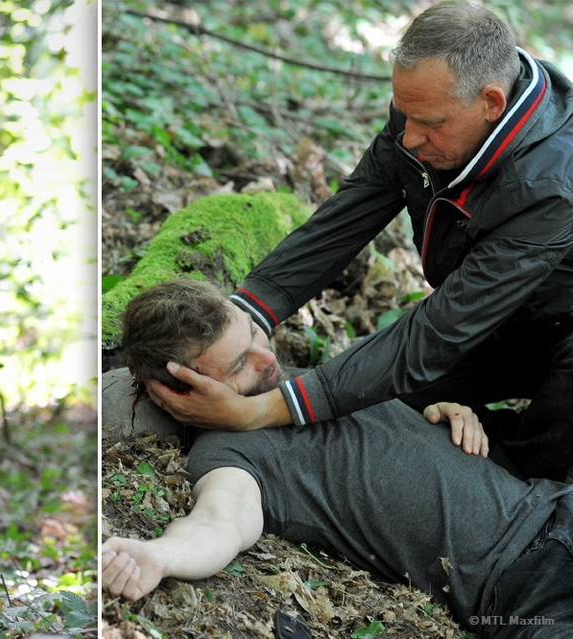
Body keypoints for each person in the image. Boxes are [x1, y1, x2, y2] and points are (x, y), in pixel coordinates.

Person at [146, 1, 573, 482]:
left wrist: (259, 412)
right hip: (504, 320)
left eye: (428, 124)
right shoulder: (433, 106)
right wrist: (246, 314)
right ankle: (478, 432)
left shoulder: (551, 186)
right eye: (403, 114)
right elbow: (349, 214)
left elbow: (438, 331)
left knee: (532, 473)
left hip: (555, 328)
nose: (408, 138)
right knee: (368, 405)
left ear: (491, 103)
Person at [103, 279, 573, 638]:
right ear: (177, 393)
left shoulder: (319, 382)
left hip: (556, 506)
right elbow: (220, 522)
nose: (267, 359)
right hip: (525, 585)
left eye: (255, 337)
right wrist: (160, 555)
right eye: (239, 364)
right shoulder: (230, 453)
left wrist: (446, 413)